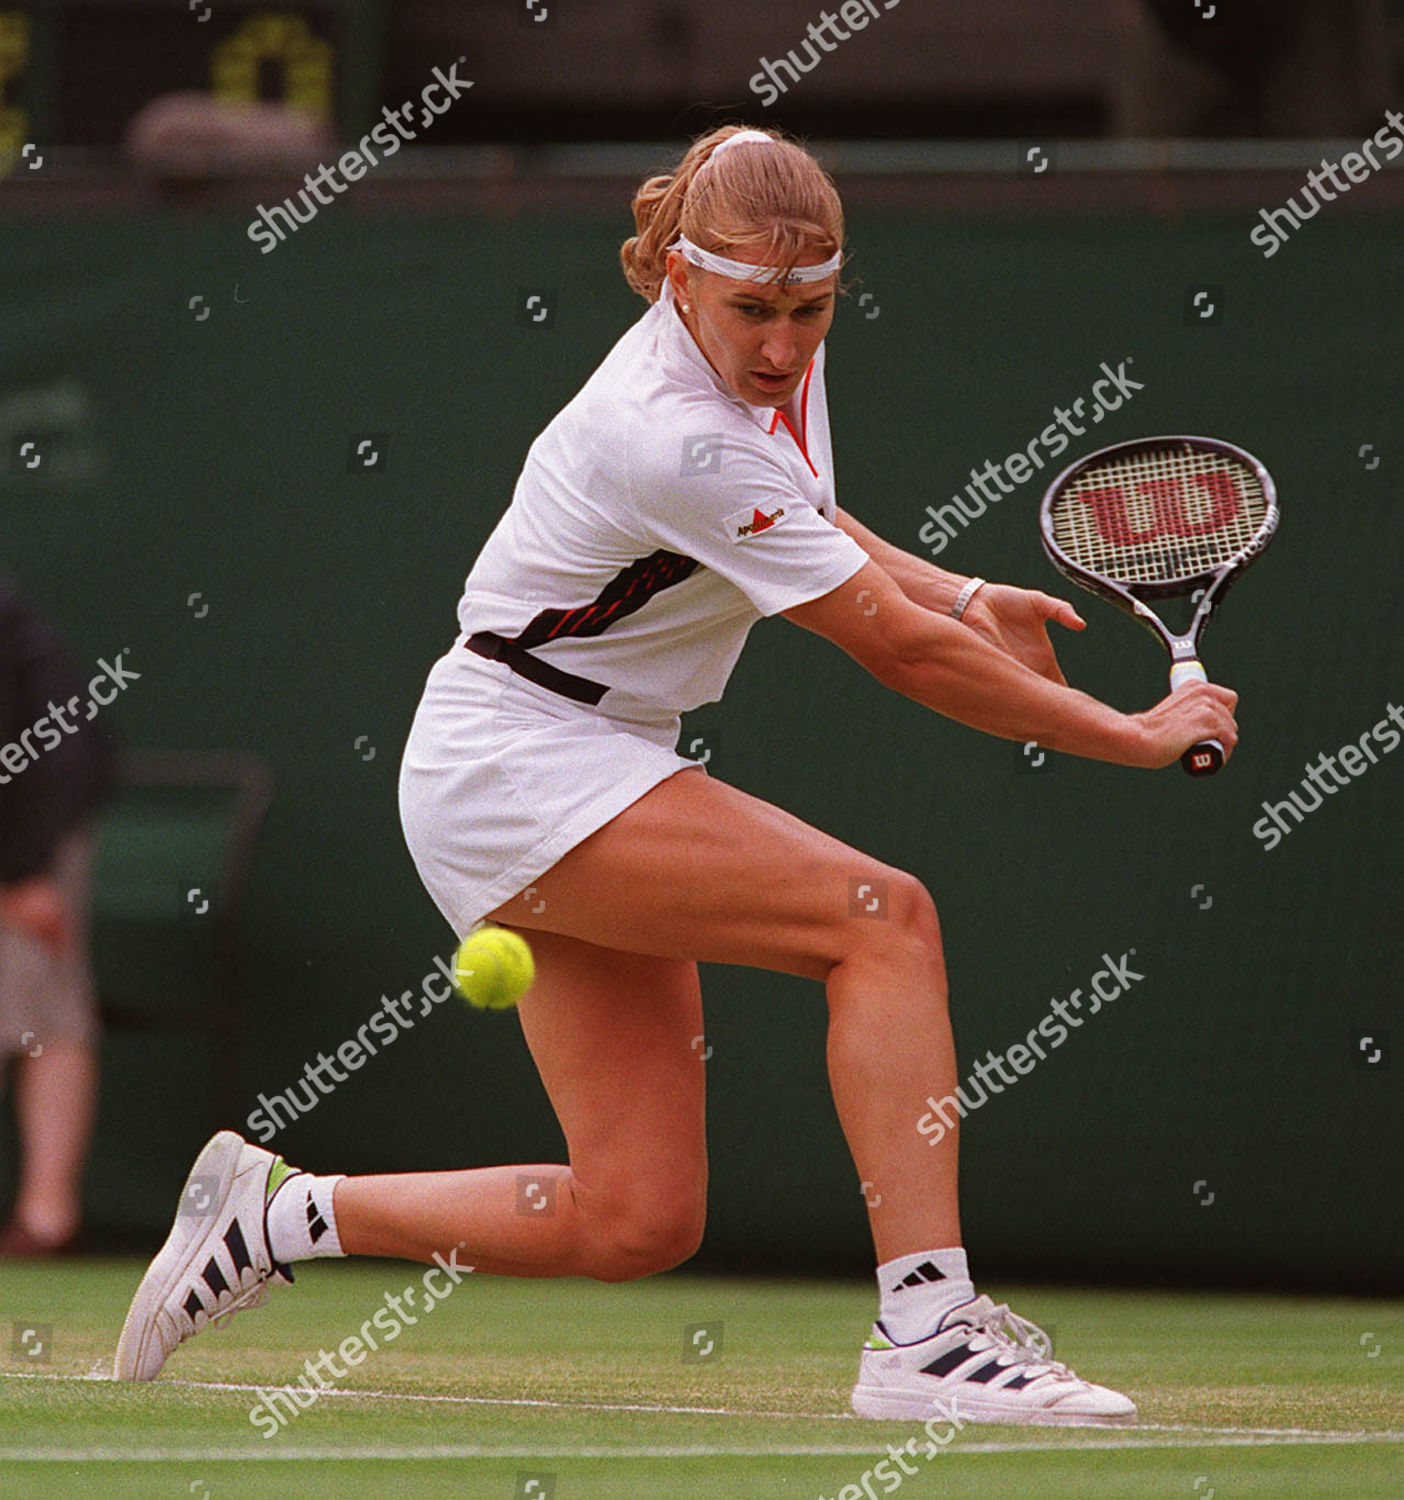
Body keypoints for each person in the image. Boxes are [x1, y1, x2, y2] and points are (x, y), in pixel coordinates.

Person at [116, 126, 1237, 1421]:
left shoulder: (766, 366)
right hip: (519, 758)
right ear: (677, 281)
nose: (782, 344)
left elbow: (804, 507)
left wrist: (967, 588)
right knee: (885, 922)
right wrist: (1133, 733)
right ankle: (927, 1332)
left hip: (579, 752)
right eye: (753, 310)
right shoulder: (672, 434)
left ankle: (271, 1216)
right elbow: (891, 649)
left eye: (811, 310)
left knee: (635, 1218)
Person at [0, 574, 113, 1258]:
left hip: (30, 823)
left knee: (46, 1014)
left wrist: (25, 872)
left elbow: (54, 749)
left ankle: (46, 1217)